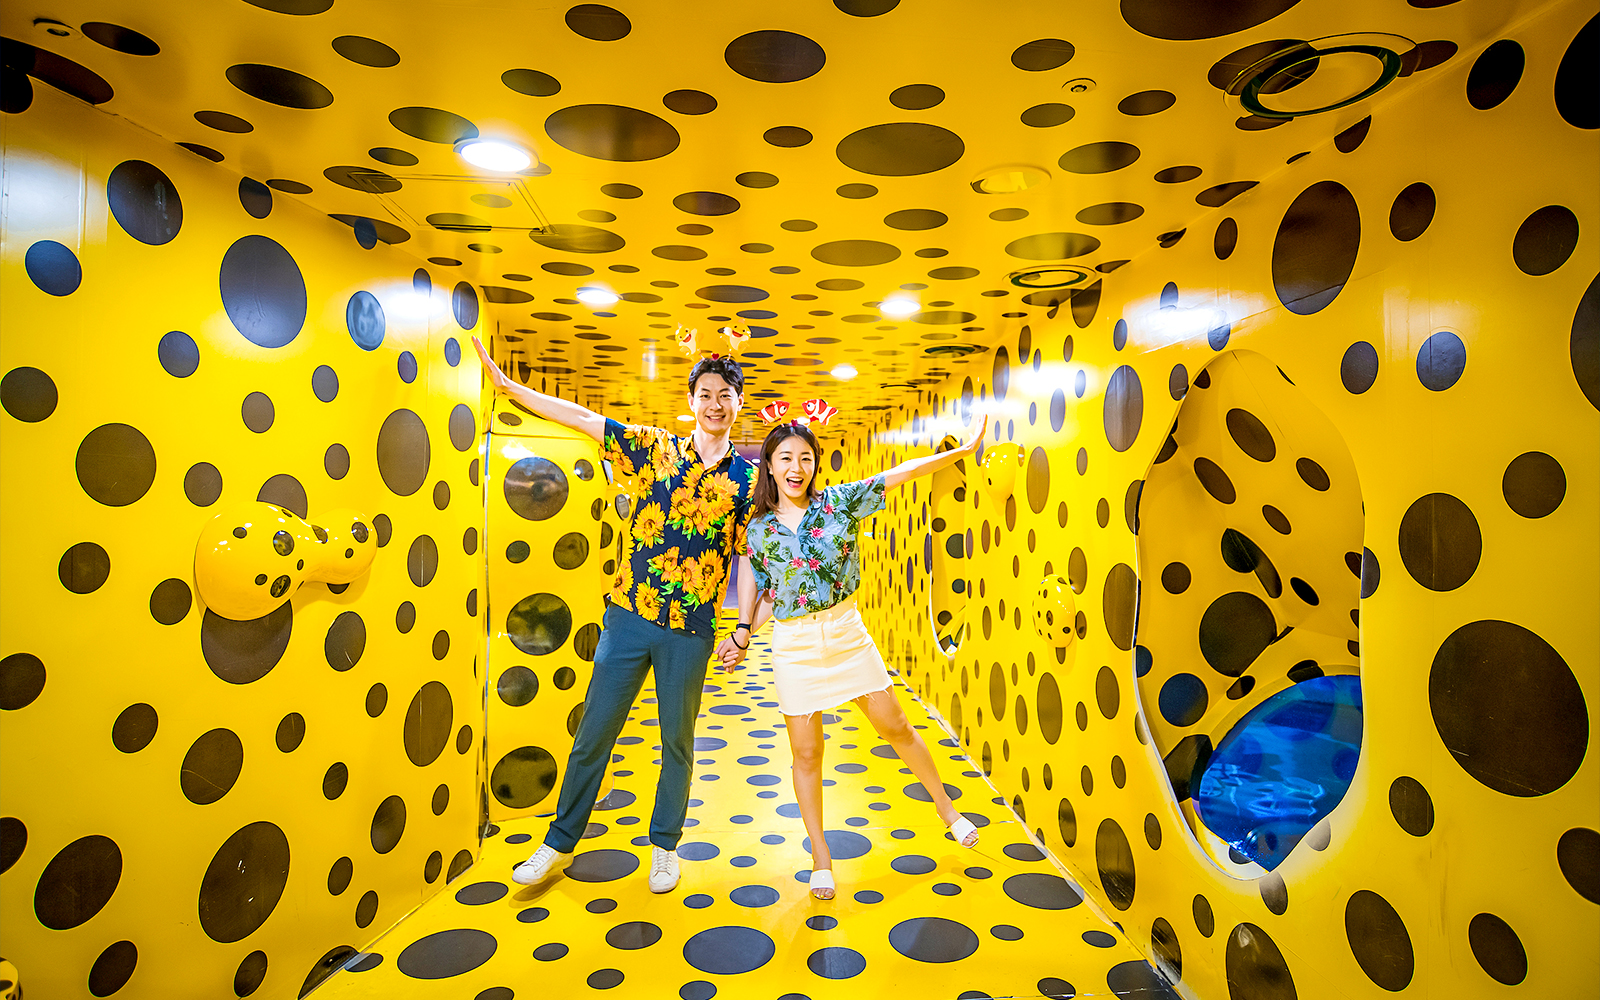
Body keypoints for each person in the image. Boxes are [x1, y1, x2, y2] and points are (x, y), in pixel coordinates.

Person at [470, 337, 759, 893]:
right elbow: (583, 417)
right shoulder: (655, 448)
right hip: (629, 613)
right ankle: (557, 842)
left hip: (693, 627)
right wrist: (510, 388)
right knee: (595, 731)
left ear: (738, 404)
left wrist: (743, 627)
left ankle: (665, 847)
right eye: (706, 394)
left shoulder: (747, 483)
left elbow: (745, 558)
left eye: (726, 395)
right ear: (691, 399)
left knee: (677, 738)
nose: (715, 404)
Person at [732, 413, 988, 900]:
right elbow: (769, 592)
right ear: (768, 464)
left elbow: (905, 471)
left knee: (897, 727)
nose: (796, 467)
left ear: (815, 465)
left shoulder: (839, 503)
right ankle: (821, 856)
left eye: (805, 458)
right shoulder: (759, 528)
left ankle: (947, 810)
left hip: (847, 632)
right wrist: (743, 633)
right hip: (795, 646)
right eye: (785, 457)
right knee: (806, 754)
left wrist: (958, 452)